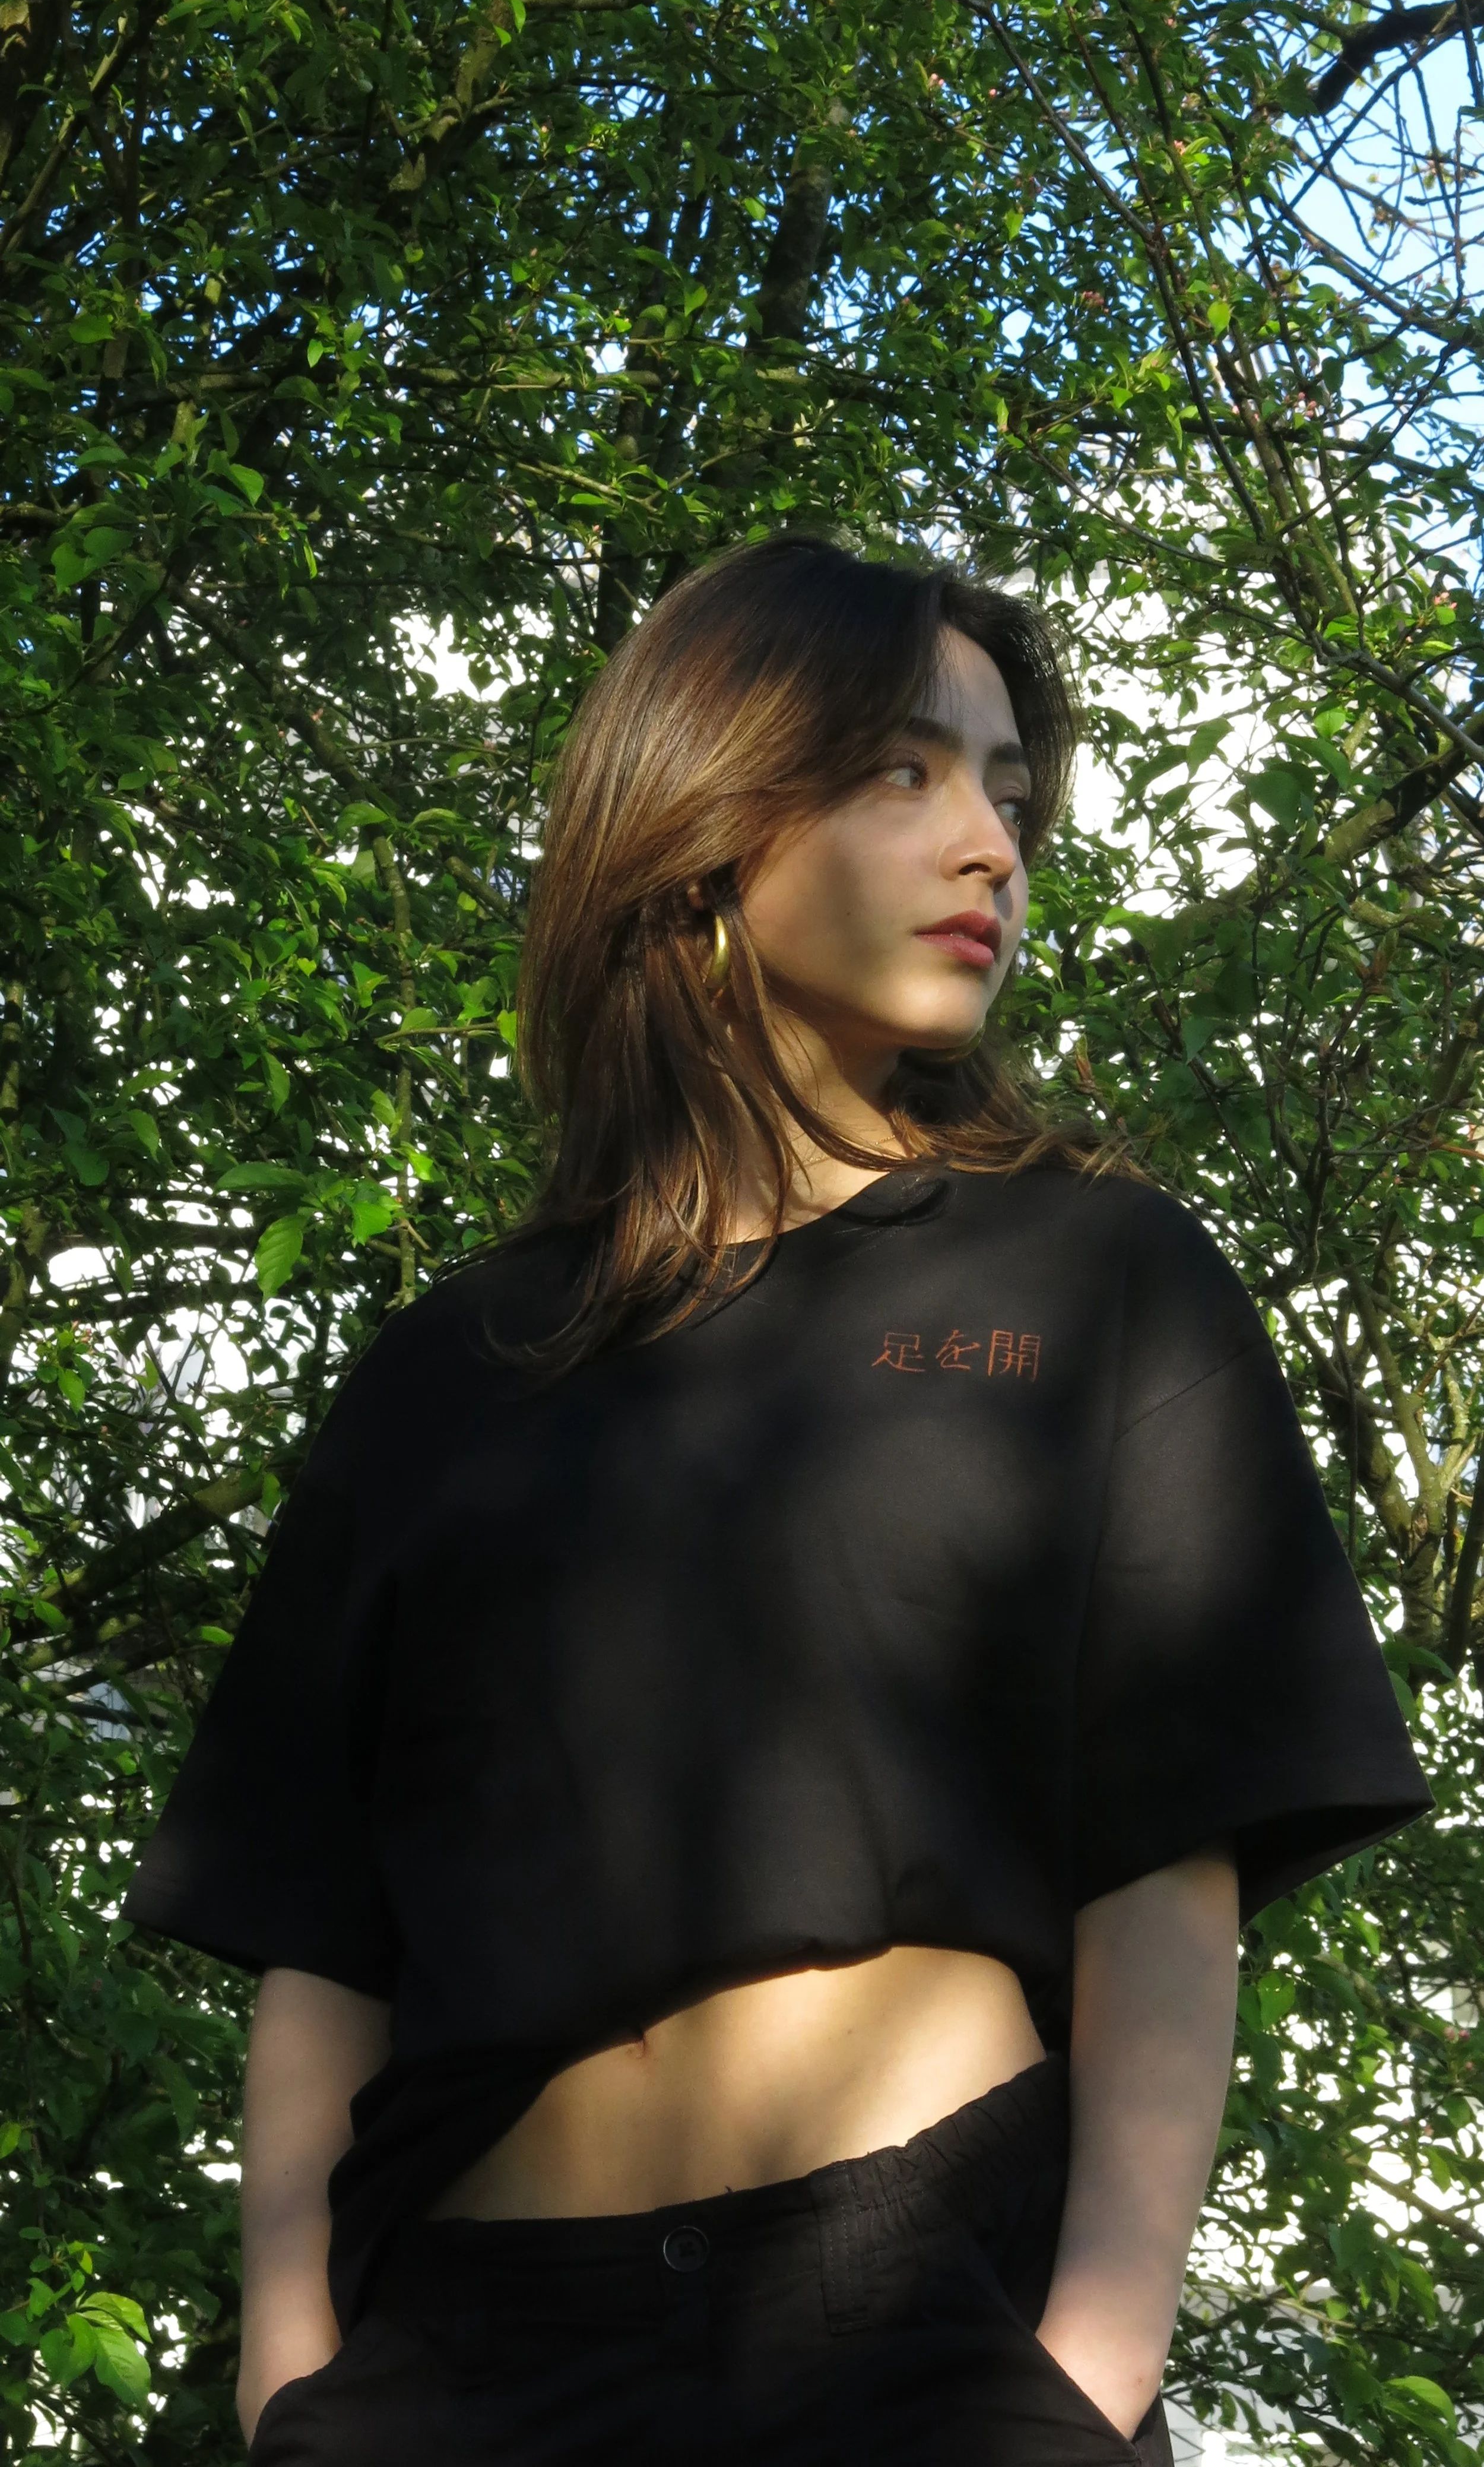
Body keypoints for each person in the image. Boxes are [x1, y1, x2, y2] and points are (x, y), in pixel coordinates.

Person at [125, 536, 1430, 2467]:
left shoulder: (1096, 1278)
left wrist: (1087, 2372)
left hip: (923, 2319)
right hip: (457, 2358)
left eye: (1007, 787)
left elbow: (1164, 1871)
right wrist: (287, 2371)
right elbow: (322, 1932)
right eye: (903, 768)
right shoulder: (451, 1368)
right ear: (705, 813)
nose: (988, 841)